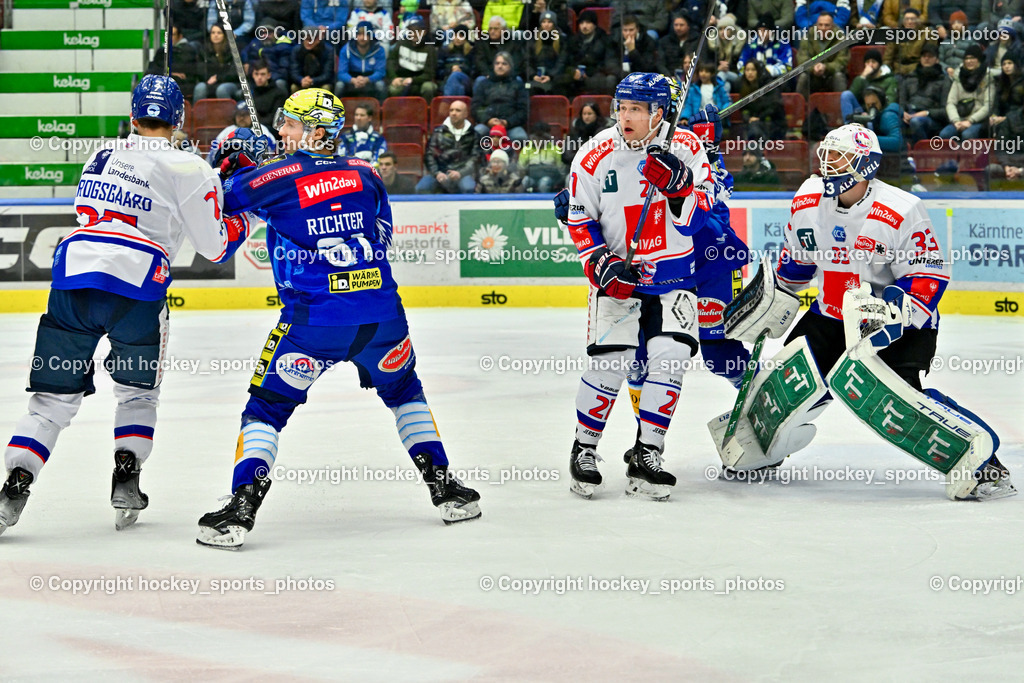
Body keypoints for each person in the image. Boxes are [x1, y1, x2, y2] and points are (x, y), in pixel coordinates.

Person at [197, 89, 482, 549]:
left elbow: (217, 201)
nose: (281, 132)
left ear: (314, 131)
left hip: (315, 325)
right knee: (405, 392)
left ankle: (242, 505)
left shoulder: (276, 176)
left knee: (265, 409)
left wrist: (232, 166)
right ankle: (447, 489)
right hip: (383, 316)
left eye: (289, 124)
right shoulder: (366, 173)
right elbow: (381, 234)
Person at [0, 76, 250, 535]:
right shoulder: (189, 167)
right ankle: (127, 477)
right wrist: (242, 204)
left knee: (51, 400)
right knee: (137, 392)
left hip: (73, 279)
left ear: (132, 115)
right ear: (179, 120)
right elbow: (215, 247)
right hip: (137, 287)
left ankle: (16, 482)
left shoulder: (100, 154)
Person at [717, 123, 1014, 501]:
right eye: (825, 155)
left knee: (902, 401)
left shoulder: (900, 209)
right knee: (783, 383)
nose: (826, 164)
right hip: (831, 315)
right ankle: (762, 450)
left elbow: (928, 273)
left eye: (838, 157)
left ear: (865, 165)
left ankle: (985, 464)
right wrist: (768, 299)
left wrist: (889, 314)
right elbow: (796, 266)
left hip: (899, 322)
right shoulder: (808, 201)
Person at [557, 72, 715, 501]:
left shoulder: (686, 147)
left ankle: (648, 453)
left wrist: (681, 189)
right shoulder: (593, 155)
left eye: (636, 110)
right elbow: (578, 217)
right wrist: (602, 265)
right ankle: (584, 449)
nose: (624, 117)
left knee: (670, 358)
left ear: (658, 113)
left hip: (674, 274)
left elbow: (701, 216)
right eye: (621, 107)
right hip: (618, 279)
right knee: (611, 362)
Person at [417, 99, 480, 193]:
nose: (454, 113)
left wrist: (460, 173)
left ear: (466, 114)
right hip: (440, 172)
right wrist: (437, 173)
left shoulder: (474, 134)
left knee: (468, 187)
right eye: (451, 110)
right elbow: (429, 155)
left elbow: (475, 158)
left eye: (458, 110)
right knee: (422, 187)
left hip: (463, 174)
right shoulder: (438, 133)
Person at [899, 44, 952, 144]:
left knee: (916, 122)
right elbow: (901, 101)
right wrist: (902, 112)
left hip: (931, 118)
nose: (926, 58)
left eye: (930, 56)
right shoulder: (910, 77)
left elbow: (946, 111)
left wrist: (926, 112)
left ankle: (921, 154)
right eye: (924, 56)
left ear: (937, 59)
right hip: (909, 114)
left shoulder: (944, 80)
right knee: (893, 117)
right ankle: (902, 154)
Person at [471, 52, 529, 140]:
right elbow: (476, 107)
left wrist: (507, 122)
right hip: (487, 125)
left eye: (504, 64)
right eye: (497, 63)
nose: (500, 66)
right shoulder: (483, 84)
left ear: (510, 66)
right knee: (475, 135)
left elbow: (523, 111)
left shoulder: (518, 85)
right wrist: (488, 120)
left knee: (521, 137)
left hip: (511, 126)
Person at [940, 44, 993, 139]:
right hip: (959, 119)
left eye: (973, 58)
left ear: (979, 60)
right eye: (966, 58)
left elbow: (988, 106)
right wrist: (956, 120)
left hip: (978, 120)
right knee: (944, 135)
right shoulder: (958, 78)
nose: (969, 61)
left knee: (967, 134)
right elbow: (951, 103)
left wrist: (970, 121)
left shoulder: (988, 78)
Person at [796, 12, 849, 100]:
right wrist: (813, 67)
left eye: (827, 25)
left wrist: (826, 67)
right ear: (816, 25)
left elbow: (842, 60)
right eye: (820, 25)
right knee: (803, 77)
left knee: (839, 76)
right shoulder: (808, 36)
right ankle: (800, 109)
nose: (823, 28)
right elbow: (802, 58)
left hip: (831, 76)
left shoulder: (841, 38)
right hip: (813, 76)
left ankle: (841, 108)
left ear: (833, 26)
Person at [567, 9, 618, 96]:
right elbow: (567, 61)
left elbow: (608, 62)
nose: (584, 26)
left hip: (597, 74)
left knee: (607, 80)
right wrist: (573, 71)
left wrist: (592, 71)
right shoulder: (573, 41)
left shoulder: (604, 40)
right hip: (577, 76)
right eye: (582, 23)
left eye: (588, 23)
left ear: (594, 25)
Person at [386, 15, 438, 100]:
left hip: (422, 81)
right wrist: (394, 78)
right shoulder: (401, 43)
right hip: (402, 78)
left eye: (417, 31)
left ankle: (426, 112)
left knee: (429, 88)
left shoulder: (430, 49)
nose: (414, 34)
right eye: (411, 31)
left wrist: (413, 80)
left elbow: (430, 73)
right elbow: (391, 61)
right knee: (393, 89)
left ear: (424, 32)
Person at [336, 20, 388, 99]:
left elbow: (380, 72)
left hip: (370, 79)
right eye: (359, 34)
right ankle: (336, 109)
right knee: (339, 85)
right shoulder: (345, 49)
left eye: (365, 35)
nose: (361, 38)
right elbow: (341, 73)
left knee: (380, 85)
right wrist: (353, 80)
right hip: (352, 79)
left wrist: (367, 79)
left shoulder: (379, 50)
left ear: (371, 36)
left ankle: (381, 109)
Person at [194, 24, 242, 101]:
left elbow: (234, 73)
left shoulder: (234, 50)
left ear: (225, 35)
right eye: (213, 33)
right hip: (209, 81)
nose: (215, 35)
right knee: (200, 87)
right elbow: (200, 70)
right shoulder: (204, 50)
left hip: (229, 82)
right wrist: (209, 79)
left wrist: (218, 78)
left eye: (219, 33)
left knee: (222, 89)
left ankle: (228, 113)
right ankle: (198, 113)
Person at [562, 100, 611, 165]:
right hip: (575, 168)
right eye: (584, 114)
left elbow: (606, 156)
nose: (586, 117)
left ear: (596, 115)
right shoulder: (575, 130)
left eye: (589, 114)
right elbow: (566, 156)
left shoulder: (604, 131)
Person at [288, 28, 335, 92]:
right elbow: (294, 71)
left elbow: (327, 74)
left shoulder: (328, 50)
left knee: (326, 88)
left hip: (321, 82)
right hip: (302, 82)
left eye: (311, 39)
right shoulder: (296, 50)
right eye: (306, 39)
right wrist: (301, 80)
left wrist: (312, 81)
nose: (308, 42)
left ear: (318, 39)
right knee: (294, 87)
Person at [250, 59, 290, 129]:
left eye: (262, 74)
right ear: (253, 75)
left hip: (269, 129)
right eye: (256, 74)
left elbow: (275, 119)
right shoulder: (249, 92)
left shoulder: (279, 94)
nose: (259, 77)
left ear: (269, 75)